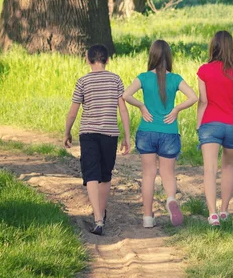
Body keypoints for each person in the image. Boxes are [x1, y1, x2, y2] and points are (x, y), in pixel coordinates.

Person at [123, 40, 198, 228]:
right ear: (169, 57)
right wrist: (176, 109)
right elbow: (194, 97)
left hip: (147, 131)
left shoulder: (143, 78)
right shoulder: (175, 79)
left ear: (152, 56)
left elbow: (125, 95)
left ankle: (148, 218)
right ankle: (171, 199)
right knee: (168, 173)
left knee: (148, 174)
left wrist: (141, 106)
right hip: (169, 132)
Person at [64, 44, 131, 236]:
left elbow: (73, 112)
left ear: (88, 59)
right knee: (105, 174)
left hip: (88, 134)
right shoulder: (115, 80)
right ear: (107, 60)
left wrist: (67, 132)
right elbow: (123, 110)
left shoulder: (83, 81)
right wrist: (127, 136)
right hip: (110, 134)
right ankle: (101, 212)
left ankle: (98, 219)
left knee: (91, 174)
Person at [197, 31, 233, 226]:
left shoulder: (204, 71)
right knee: (228, 167)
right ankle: (225, 210)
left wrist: (198, 124)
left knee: (210, 169)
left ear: (213, 47)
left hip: (210, 123)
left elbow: (203, 101)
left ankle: (212, 215)